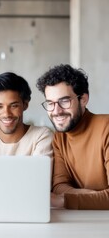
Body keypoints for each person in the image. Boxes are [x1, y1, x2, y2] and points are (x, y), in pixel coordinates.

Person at [36, 64, 109, 210]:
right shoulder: (59, 138)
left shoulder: (106, 128)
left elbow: (60, 197)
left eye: (64, 101)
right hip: (80, 221)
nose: (56, 111)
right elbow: (59, 187)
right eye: (50, 103)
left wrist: (64, 201)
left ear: (83, 99)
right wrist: (95, 197)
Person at [0, 72, 53, 158]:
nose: (6, 114)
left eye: (13, 106)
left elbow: (38, 171)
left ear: (25, 105)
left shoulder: (41, 136)